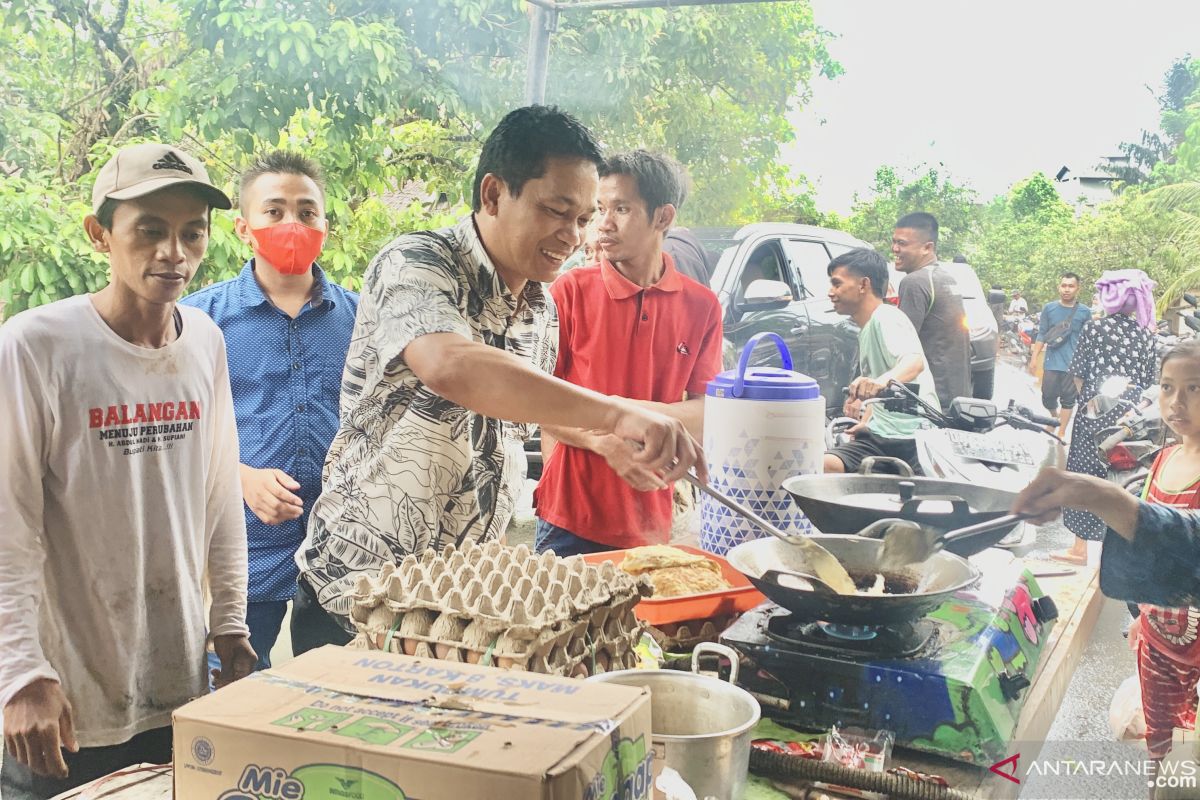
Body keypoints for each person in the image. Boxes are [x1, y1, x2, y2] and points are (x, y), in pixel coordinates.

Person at [293, 106, 703, 652]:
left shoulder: (541, 309)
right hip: (361, 593)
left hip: (463, 605)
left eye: (583, 219)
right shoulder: (416, 262)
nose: (574, 236)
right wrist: (616, 412)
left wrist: (611, 442)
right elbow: (450, 365)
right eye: (557, 211)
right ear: (492, 194)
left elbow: (529, 407)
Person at [0, 143, 254, 799]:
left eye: (191, 232)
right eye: (150, 230)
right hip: (65, 700)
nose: (174, 252)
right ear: (99, 234)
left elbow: (221, 497)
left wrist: (231, 626)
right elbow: (9, 522)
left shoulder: (205, 341)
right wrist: (20, 672)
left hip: (175, 684)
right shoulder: (38, 345)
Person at [180, 151, 358, 670]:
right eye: (274, 211)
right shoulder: (199, 321)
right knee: (225, 695)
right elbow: (176, 436)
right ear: (242, 227)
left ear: (325, 225)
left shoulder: (361, 319)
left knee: (337, 693)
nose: (292, 224)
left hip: (341, 553)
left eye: (307, 212)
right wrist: (239, 478)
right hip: (239, 552)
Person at [533, 150, 723, 556]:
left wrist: (613, 413)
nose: (603, 224)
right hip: (567, 518)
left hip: (650, 522)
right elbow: (538, 401)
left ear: (663, 217)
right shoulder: (569, 293)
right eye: (600, 208)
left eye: (621, 208)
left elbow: (708, 411)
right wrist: (607, 440)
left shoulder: (702, 306)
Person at [1120, 340, 1200, 762]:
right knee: (1162, 746)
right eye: (1168, 388)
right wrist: (1141, 616)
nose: (1176, 402)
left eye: (1194, 389)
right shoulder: (1163, 458)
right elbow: (1150, 553)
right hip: (1158, 638)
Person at [1053, 270, 1158, 565]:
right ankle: (1114, 555)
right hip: (1130, 420)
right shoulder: (1146, 336)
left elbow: (1078, 374)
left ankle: (1079, 549)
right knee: (1122, 481)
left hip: (1093, 414)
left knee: (1086, 478)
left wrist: (1090, 405)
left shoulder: (1095, 328)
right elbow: (1147, 379)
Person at [823, 248, 940, 474]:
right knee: (821, 467)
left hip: (913, 439)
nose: (830, 292)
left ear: (863, 285)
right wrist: (867, 421)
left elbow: (914, 362)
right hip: (883, 436)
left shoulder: (886, 317)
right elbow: (879, 389)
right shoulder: (866, 328)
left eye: (837, 284)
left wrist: (880, 382)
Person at [892, 212, 970, 409]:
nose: (895, 249)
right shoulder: (946, 278)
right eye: (894, 242)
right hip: (957, 395)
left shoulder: (915, 282)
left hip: (932, 398)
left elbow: (901, 347)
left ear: (927, 247)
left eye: (902, 243)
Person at [1031, 272, 1092, 438]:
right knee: (1047, 396)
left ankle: (1062, 431)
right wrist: (1034, 357)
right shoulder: (1049, 308)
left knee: (1068, 399)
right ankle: (1054, 416)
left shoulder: (1085, 312)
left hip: (1074, 363)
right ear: (1059, 287)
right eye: (1064, 285)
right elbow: (1042, 333)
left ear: (1077, 289)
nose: (1067, 289)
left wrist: (1087, 363)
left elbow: (1089, 339)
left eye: (1071, 286)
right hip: (1052, 361)